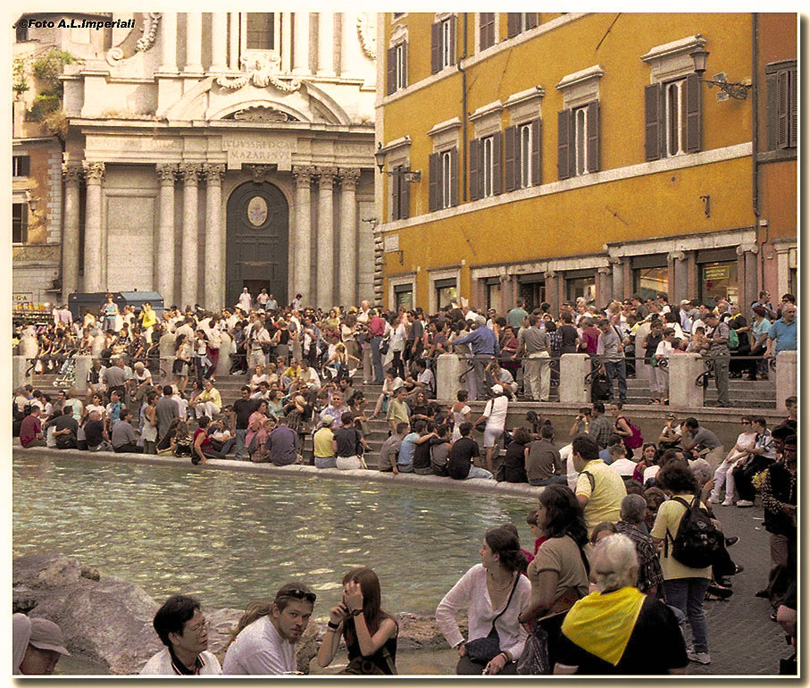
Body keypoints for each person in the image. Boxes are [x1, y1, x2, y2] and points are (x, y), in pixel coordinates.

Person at [553, 534, 688, 675]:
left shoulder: (578, 615)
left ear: (595, 572)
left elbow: (562, 674)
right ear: (633, 570)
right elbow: (678, 671)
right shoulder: (657, 612)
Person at [436, 526, 531, 675]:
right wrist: (459, 643)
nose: (480, 552)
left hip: (511, 655)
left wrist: (505, 656)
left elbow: (525, 639)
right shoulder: (476, 574)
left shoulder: (524, 587)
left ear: (496, 556)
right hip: (477, 651)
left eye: (484, 548)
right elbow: (444, 610)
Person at [518, 485, 591, 670]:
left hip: (555, 629)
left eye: (541, 508)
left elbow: (546, 599)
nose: (537, 515)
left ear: (553, 513)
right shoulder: (581, 543)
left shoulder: (551, 548)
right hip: (580, 624)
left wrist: (522, 617)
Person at [650, 462, 713, 665]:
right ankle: (702, 650)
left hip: (674, 566)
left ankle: (677, 650)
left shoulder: (668, 506)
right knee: (696, 608)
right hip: (702, 566)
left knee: (677, 612)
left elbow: (656, 538)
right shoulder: (699, 504)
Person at [317, 567, 399, 674]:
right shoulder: (347, 621)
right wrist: (333, 624)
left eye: (352, 594)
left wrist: (357, 612)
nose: (348, 597)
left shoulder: (387, 623)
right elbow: (323, 661)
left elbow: (367, 650)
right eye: (346, 592)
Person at [223, 583, 316, 675]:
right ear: (276, 611)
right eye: (293, 614)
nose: (300, 623)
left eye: (305, 616)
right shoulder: (260, 644)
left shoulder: (287, 631)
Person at [141, 595, 221, 675]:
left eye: (203, 624)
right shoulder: (155, 673)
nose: (204, 633)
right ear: (174, 637)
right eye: (196, 628)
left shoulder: (210, 661)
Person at [572, 435, 627, 536]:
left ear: (578, 456)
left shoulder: (587, 474)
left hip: (596, 534)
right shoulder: (610, 470)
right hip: (618, 531)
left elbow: (581, 499)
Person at [614, 494, 665, 595]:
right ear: (643, 516)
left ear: (620, 513)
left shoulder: (607, 536)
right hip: (635, 600)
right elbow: (652, 587)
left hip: (607, 597)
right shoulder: (645, 543)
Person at [514, 314, 551, 402]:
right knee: (545, 377)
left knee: (534, 377)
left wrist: (515, 354)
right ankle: (544, 397)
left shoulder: (525, 332)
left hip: (533, 355)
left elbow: (520, 345)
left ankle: (535, 396)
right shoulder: (543, 332)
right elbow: (548, 346)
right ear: (537, 322)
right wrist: (550, 355)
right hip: (544, 354)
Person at [473, 384, 509, 472]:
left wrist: (475, 423)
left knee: (488, 450)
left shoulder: (490, 403)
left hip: (490, 428)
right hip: (500, 428)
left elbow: (485, 416)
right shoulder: (505, 400)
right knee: (496, 446)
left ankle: (490, 470)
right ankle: (495, 449)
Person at [700, 312, 730, 408]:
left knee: (722, 379)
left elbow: (725, 338)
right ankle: (721, 400)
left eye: (708, 322)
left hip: (721, 354)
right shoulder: (713, 330)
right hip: (715, 354)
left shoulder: (722, 326)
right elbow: (709, 345)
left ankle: (723, 401)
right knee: (718, 379)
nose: (708, 325)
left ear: (712, 318)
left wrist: (711, 340)